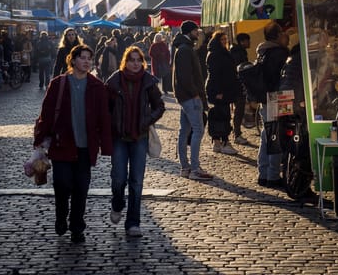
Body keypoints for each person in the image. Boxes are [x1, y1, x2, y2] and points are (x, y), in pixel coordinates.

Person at [34, 44, 112, 243]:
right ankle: (61, 216)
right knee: (61, 184)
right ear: (73, 60)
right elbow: (46, 114)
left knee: (81, 188)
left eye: (89, 58)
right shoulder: (58, 83)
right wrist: (40, 139)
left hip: (86, 147)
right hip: (62, 144)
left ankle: (77, 227)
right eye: (82, 57)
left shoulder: (97, 86)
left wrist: (106, 145)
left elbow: (104, 117)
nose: (86, 61)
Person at [106, 46, 165, 237]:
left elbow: (160, 106)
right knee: (118, 178)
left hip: (139, 136)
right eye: (131, 60)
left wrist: (147, 121)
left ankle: (133, 222)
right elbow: (106, 109)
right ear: (125, 61)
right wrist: (111, 125)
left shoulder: (148, 81)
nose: (135, 63)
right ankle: (117, 203)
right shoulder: (114, 81)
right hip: (119, 137)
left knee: (136, 181)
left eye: (138, 60)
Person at [172, 20, 212, 180]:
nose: (198, 33)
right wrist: (195, 94)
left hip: (186, 96)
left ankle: (186, 168)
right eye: (196, 31)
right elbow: (185, 76)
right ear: (190, 32)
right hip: (190, 96)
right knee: (198, 130)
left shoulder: (185, 48)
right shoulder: (184, 50)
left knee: (185, 131)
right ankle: (194, 169)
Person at [255, 21, 289, 188]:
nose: (285, 35)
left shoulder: (263, 51)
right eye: (282, 32)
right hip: (279, 97)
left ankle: (263, 173)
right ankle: (273, 176)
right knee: (276, 137)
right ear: (276, 35)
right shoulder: (279, 53)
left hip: (265, 98)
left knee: (266, 135)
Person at [205, 31, 238, 155]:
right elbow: (215, 74)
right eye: (222, 39)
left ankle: (217, 142)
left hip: (224, 89)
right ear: (216, 41)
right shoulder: (215, 54)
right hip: (219, 90)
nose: (224, 41)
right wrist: (218, 91)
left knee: (219, 115)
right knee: (223, 116)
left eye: (225, 39)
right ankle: (224, 141)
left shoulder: (222, 52)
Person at [229, 32, 251, 145]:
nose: (249, 43)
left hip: (237, 85)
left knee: (239, 110)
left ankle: (236, 132)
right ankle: (236, 134)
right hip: (238, 85)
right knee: (239, 109)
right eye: (248, 40)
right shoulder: (238, 53)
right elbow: (239, 69)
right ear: (242, 41)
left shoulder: (238, 51)